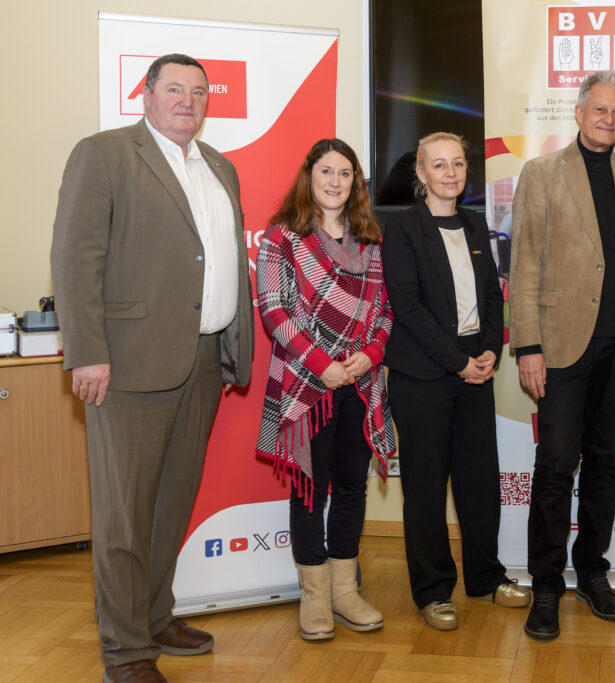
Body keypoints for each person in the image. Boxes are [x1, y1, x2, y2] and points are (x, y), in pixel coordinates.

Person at [50, 53, 254, 682]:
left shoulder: (220, 166)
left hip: (202, 360)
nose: (187, 100)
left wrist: (230, 347)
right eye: (174, 89)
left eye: (198, 91)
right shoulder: (104, 153)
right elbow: (75, 258)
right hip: (128, 365)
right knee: (124, 513)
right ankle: (124, 649)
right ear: (146, 93)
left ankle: (155, 614)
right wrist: (86, 352)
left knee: (170, 504)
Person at [509, 71, 615, 640]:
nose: (609, 120)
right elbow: (523, 265)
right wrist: (528, 345)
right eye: (600, 110)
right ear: (578, 113)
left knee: (603, 464)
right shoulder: (541, 173)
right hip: (561, 346)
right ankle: (546, 584)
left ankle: (593, 572)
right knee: (553, 468)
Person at [381, 132, 530, 631]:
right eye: (438, 165)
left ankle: (486, 577)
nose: (450, 173)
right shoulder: (401, 230)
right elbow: (409, 308)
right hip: (423, 374)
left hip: (475, 368)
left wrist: (490, 348)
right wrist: (457, 362)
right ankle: (433, 590)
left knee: (479, 481)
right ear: (420, 174)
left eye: (458, 164)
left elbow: (492, 295)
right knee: (425, 487)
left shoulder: (474, 223)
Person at [255, 138, 395, 640]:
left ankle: (344, 591)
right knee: (310, 489)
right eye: (326, 172)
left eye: (345, 174)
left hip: (360, 384)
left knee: (352, 485)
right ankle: (314, 596)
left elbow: (385, 313)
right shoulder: (282, 238)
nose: (335, 182)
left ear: (355, 181)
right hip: (306, 385)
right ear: (309, 176)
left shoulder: (371, 237)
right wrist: (322, 364)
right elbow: (274, 309)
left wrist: (369, 356)